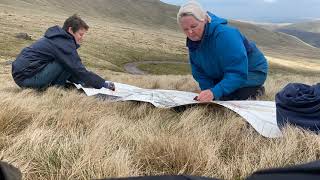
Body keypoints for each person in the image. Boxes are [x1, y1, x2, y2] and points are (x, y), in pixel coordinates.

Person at [177, 1, 268, 102]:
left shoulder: (225, 35)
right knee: (215, 98)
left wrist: (214, 92)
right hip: (224, 72)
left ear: (205, 20)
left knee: (228, 99)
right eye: (185, 29)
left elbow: (238, 73)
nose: (190, 32)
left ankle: (257, 90)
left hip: (251, 71)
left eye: (194, 26)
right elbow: (200, 73)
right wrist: (208, 91)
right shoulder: (193, 43)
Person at [12, 14, 115, 91]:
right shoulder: (63, 43)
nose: (82, 38)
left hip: (23, 76)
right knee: (68, 63)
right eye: (80, 34)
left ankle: (59, 86)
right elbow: (77, 69)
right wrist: (103, 84)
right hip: (27, 79)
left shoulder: (57, 39)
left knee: (67, 63)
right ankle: (56, 89)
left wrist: (83, 82)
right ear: (70, 30)